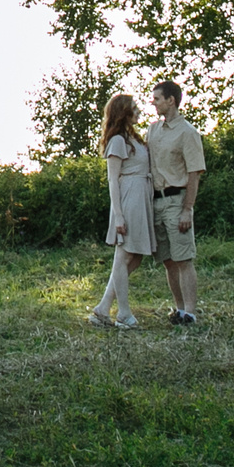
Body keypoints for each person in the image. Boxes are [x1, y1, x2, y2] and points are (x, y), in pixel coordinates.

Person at [137, 79, 205, 324]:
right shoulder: (152, 130)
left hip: (177, 201)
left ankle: (190, 312)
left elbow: (194, 173)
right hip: (156, 202)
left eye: (156, 99)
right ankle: (178, 309)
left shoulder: (188, 133)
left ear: (171, 101)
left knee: (183, 258)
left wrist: (188, 209)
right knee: (167, 260)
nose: (153, 103)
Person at [88, 91, 152, 328]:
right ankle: (123, 313)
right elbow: (113, 180)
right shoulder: (117, 141)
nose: (138, 111)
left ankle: (102, 309)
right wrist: (118, 215)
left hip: (141, 196)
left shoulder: (133, 138)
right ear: (124, 112)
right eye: (134, 107)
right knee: (124, 255)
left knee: (134, 256)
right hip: (129, 199)